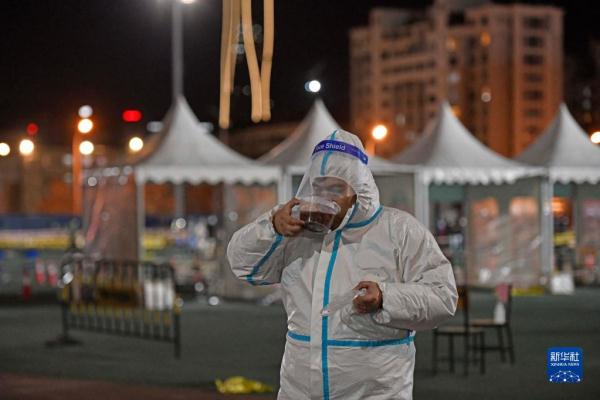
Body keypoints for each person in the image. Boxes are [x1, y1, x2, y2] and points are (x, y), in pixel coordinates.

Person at [227, 130, 458, 400]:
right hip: (299, 389)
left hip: (375, 392)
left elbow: (443, 297)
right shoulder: (293, 229)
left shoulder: (399, 230)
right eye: (318, 187)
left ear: (358, 191)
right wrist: (271, 227)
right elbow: (241, 264)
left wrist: (386, 297)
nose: (325, 196)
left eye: (336, 188)